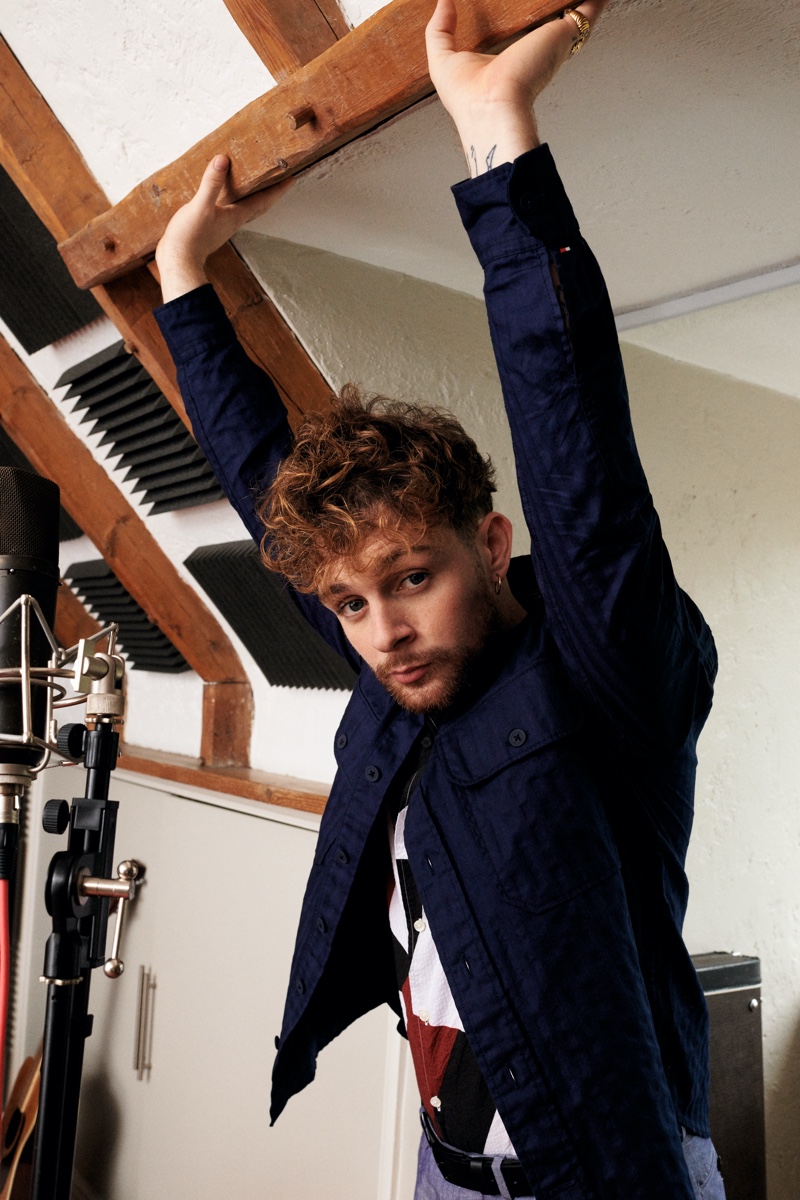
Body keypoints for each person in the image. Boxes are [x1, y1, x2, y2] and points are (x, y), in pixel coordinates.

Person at [153, 2, 725, 1196]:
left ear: (491, 544)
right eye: (352, 604)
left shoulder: (600, 679)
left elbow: (580, 457)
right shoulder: (400, 675)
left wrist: (494, 133)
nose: (383, 633)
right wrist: (179, 275)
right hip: (446, 1170)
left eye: (413, 578)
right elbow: (264, 486)